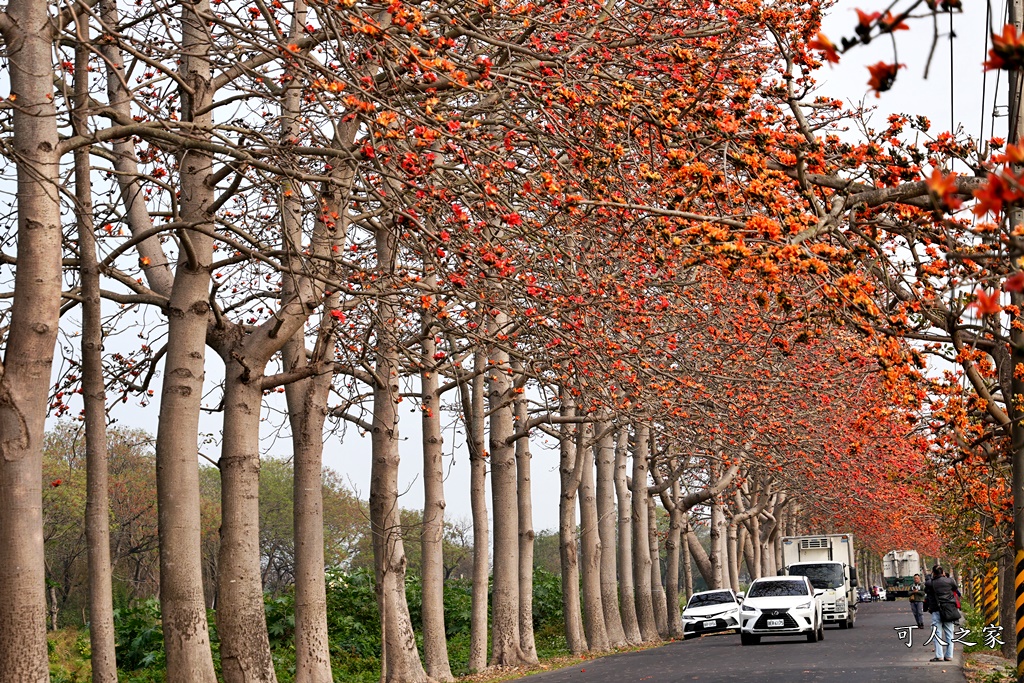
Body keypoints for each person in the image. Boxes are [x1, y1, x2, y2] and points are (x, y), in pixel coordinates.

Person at [925, 565, 960, 662]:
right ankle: (949, 655)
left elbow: (926, 586)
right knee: (949, 633)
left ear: (934, 573)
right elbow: (954, 588)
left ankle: (939, 655)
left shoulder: (931, 583)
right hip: (949, 610)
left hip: (937, 610)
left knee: (937, 633)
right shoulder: (950, 581)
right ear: (943, 572)